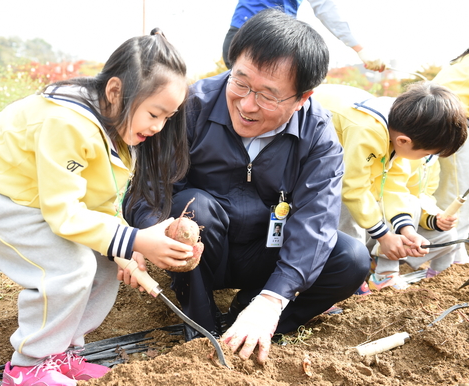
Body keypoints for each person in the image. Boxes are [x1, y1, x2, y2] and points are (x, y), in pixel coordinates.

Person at [124, 9, 370, 365]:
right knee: (194, 205)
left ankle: (253, 319)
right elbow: (148, 188)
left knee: (351, 257)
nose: (246, 104)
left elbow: (315, 224)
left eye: (268, 96)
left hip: (267, 255)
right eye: (240, 82)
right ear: (232, 64)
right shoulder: (191, 106)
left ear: (303, 97)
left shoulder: (317, 136)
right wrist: (145, 234)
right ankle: (201, 322)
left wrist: (273, 299)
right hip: (204, 252)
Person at [0, 29, 194, 386]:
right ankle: (28, 366)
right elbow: (64, 214)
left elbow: (102, 198)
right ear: (115, 92)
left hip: (39, 194)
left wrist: (123, 247)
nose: (158, 127)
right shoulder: (67, 123)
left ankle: (59, 351)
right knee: (70, 268)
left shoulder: (119, 129)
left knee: (104, 263)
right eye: (154, 113)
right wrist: (135, 240)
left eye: (167, 118)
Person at [312, 82, 467, 291]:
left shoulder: (401, 127)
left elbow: (394, 186)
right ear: (403, 141)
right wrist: (383, 236)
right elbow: (353, 188)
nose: (426, 159)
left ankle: (350, 272)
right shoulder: (368, 130)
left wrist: (406, 230)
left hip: (327, 150)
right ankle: (338, 279)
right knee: (346, 210)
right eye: (425, 154)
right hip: (302, 140)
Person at [222, 0, 387, 71]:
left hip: (267, 39)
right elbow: (325, 9)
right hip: (254, 38)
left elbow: (325, 9)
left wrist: (359, 48)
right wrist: (359, 48)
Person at [432, 48, 469, 264]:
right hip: (452, 120)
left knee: (452, 188)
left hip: (445, 117)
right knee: (457, 192)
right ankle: (450, 256)